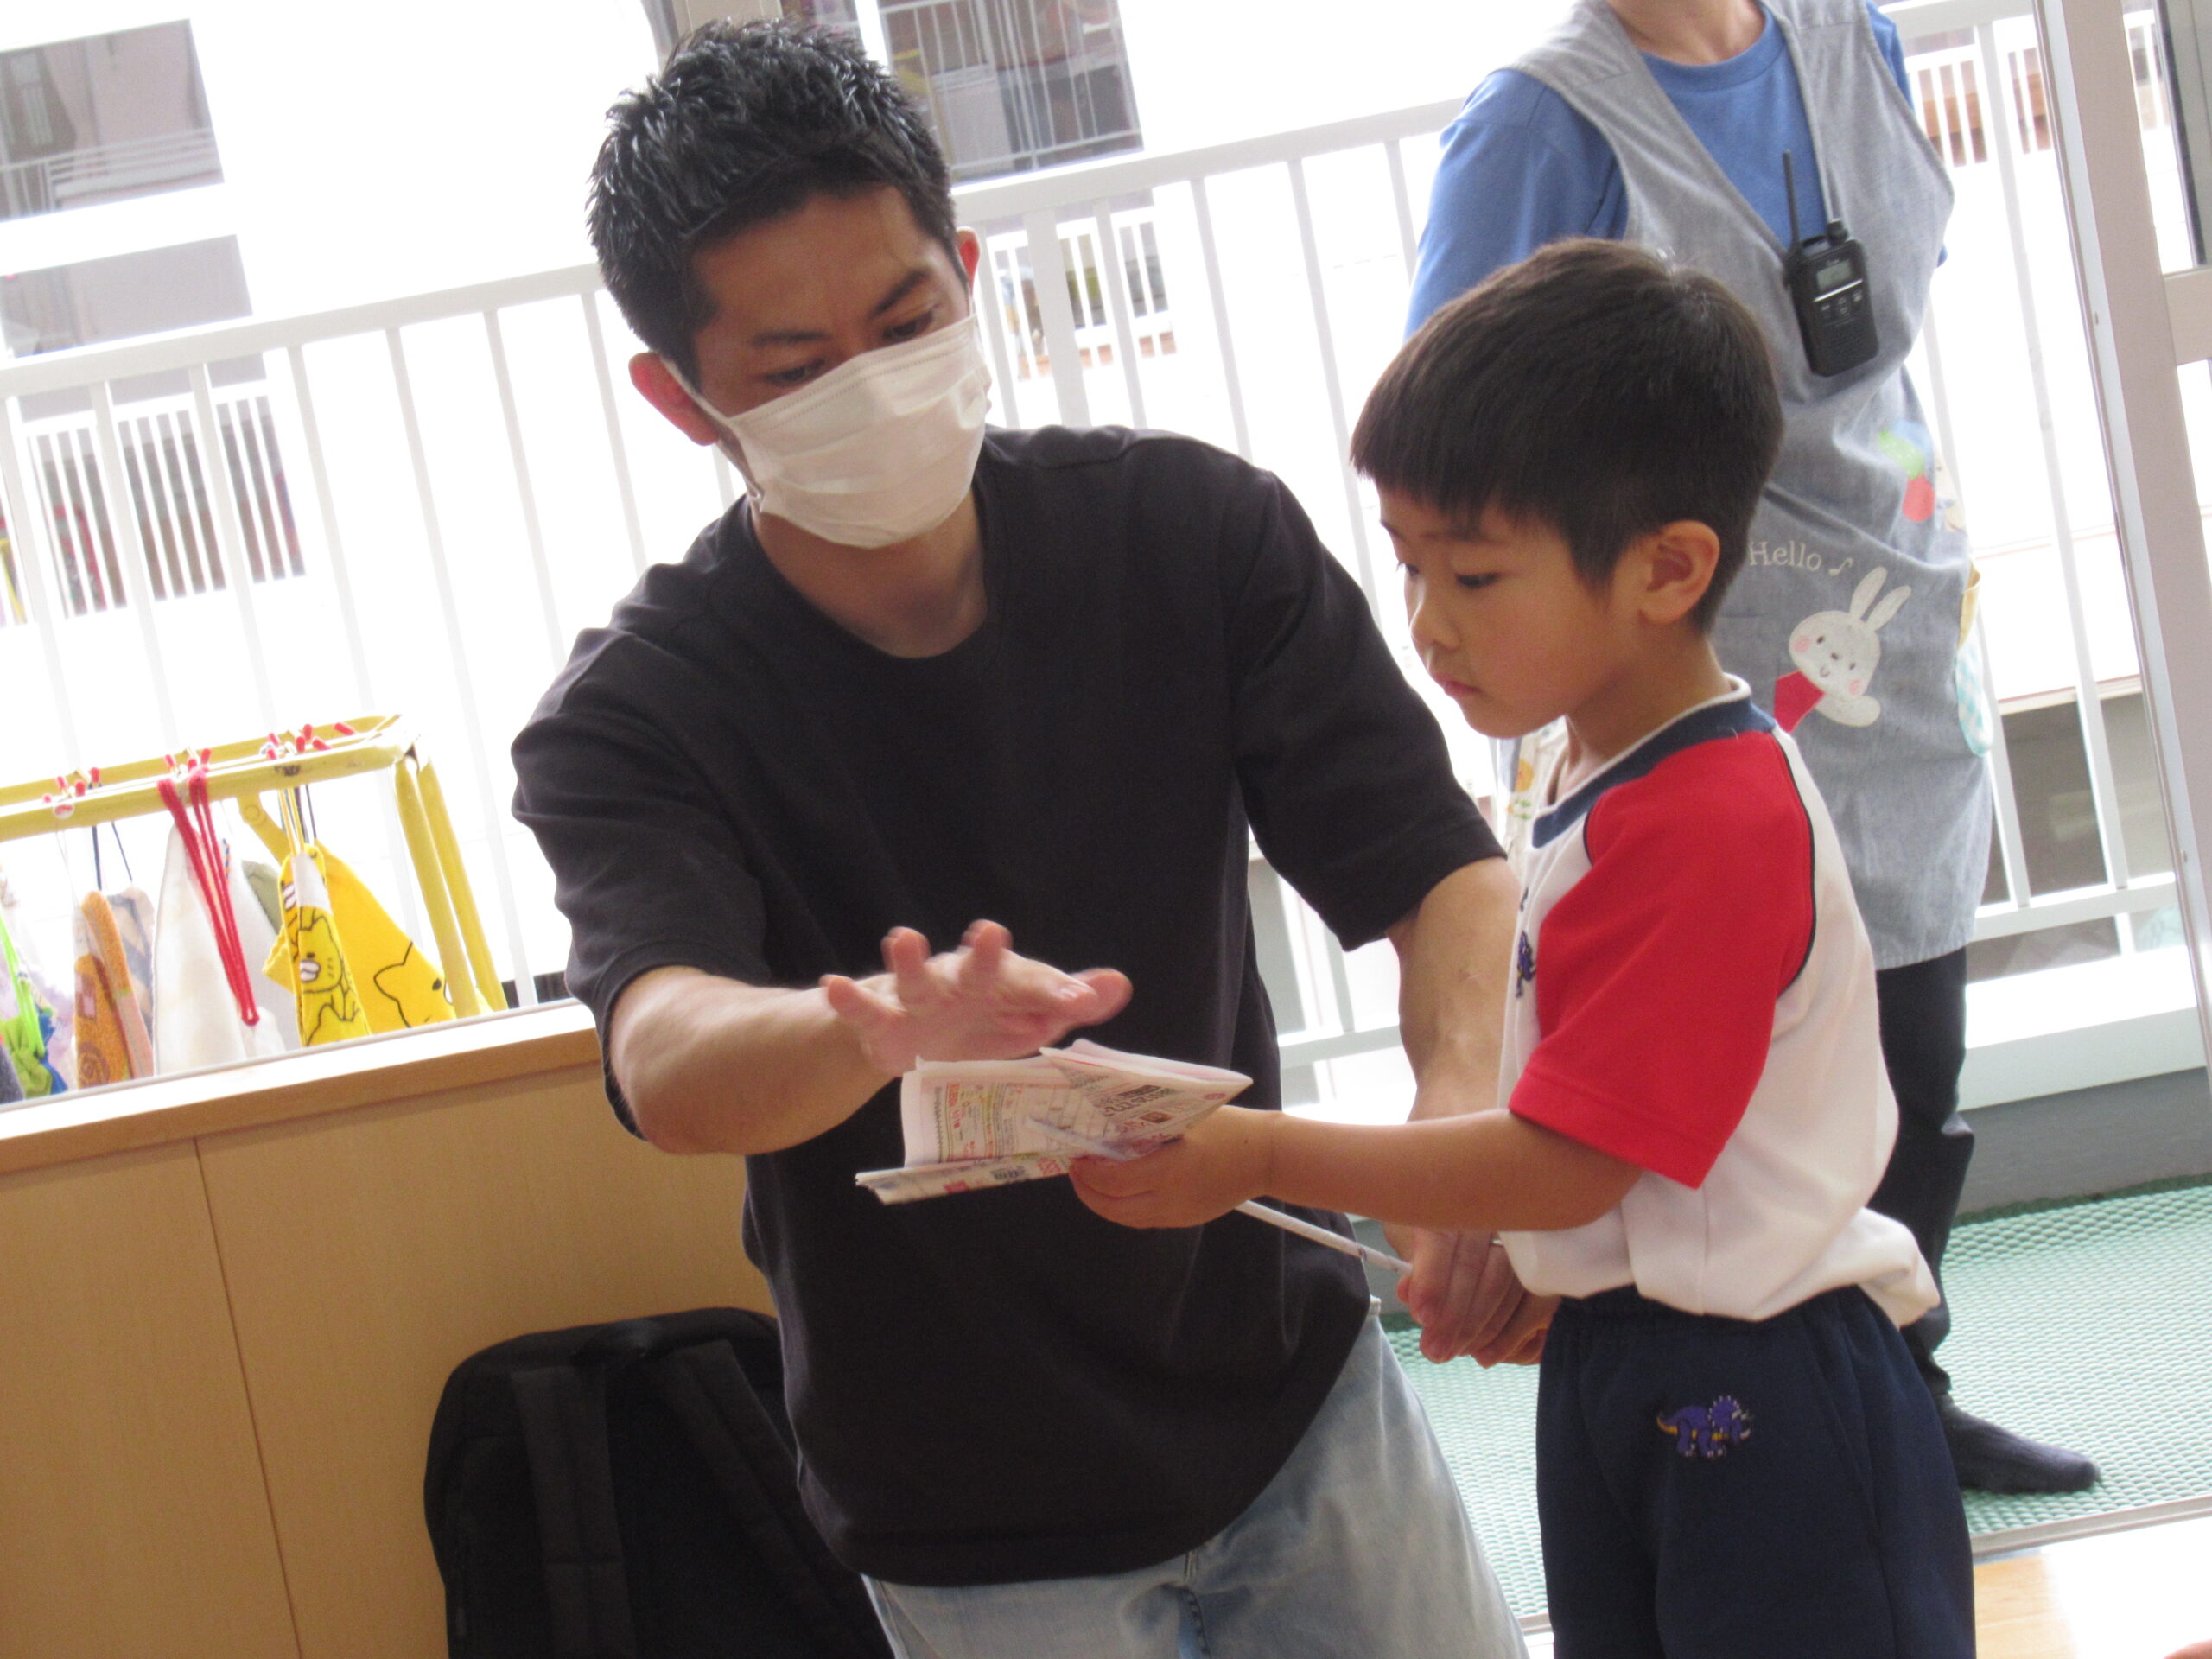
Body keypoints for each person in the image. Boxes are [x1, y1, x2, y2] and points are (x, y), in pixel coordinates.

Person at [512, 21, 1534, 1658]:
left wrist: (1456, 1115)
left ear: (970, 273)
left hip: (1289, 1393)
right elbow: (668, 1054)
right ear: (679, 397)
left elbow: (1440, 870)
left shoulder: (1192, 534)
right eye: (795, 367)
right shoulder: (640, 712)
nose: (872, 385)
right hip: (967, 1507)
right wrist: (866, 1030)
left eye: (908, 321)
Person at [1072, 238, 1976, 1659]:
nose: (1429, 625)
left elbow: (1568, 1159)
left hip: (1769, 1384)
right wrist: (1547, 1262)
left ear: (1669, 569)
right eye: (1409, 566)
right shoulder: (1596, 760)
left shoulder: (1705, 814)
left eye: (1478, 575)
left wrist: (1254, 1155)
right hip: (1634, 1356)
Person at [1404, 0, 2100, 1496]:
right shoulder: (1539, 121)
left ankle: (1897, 1378)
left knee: (1905, 1043)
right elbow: (1456, 445)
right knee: (1710, 1091)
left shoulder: (1855, 40)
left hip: (1892, 614)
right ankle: (1749, 1417)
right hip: (1692, 666)